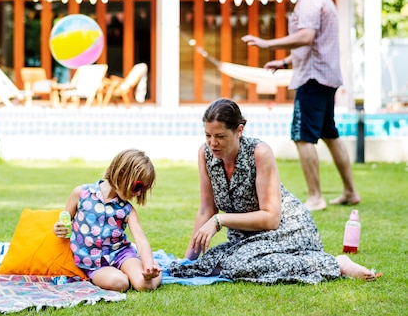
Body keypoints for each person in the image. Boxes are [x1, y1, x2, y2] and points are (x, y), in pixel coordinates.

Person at [168, 98, 380, 284]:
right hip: (245, 239)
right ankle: (323, 263)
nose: (213, 143)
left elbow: (271, 219)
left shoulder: (259, 152)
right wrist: (189, 262)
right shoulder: (205, 154)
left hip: (286, 230)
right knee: (211, 264)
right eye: (208, 135)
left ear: (239, 130)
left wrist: (220, 221)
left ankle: (334, 263)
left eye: (220, 136)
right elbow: (206, 210)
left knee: (237, 266)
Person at [242, 0, 360, 211]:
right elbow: (314, 44)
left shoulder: (309, 0)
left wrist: (267, 45)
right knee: (330, 133)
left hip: (313, 78)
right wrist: (283, 63)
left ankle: (316, 197)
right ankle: (350, 191)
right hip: (324, 76)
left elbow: (305, 37)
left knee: (302, 136)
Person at [53, 148, 162, 292]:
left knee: (144, 285)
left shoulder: (127, 209)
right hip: (94, 264)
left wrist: (148, 266)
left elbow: (141, 240)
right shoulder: (81, 194)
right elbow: (64, 222)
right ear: (122, 173)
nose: (138, 193)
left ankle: (155, 269)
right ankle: (129, 273)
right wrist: (58, 228)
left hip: (122, 255)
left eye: (143, 189)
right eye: (138, 186)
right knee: (120, 282)